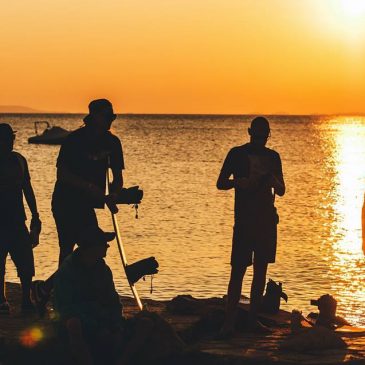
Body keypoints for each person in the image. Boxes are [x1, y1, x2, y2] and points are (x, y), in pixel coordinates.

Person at [32, 99, 124, 314]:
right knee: (68, 249)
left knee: (88, 248)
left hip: (87, 204)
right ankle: (55, 295)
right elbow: (62, 175)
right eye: (106, 116)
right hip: (65, 200)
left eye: (113, 117)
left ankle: (46, 289)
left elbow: (117, 176)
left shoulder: (113, 143)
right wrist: (89, 187)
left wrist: (115, 195)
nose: (110, 120)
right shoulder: (74, 140)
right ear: (94, 117)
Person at [216, 116, 285, 336]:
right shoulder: (236, 154)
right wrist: (238, 182)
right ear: (249, 132)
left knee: (261, 271)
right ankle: (229, 322)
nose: (260, 139)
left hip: (266, 221)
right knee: (238, 270)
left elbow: (282, 189)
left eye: (264, 135)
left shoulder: (273, 157)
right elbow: (220, 183)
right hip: (244, 221)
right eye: (256, 134)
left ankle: (253, 320)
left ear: (268, 135)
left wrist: (275, 183)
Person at [53, 226, 153, 365]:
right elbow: (64, 308)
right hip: (83, 321)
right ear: (91, 247)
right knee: (73, 324)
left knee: (145, 324)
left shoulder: (103, 269)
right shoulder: (67, 270)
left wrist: (115, 325)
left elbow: (113, 301)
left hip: (104, 320)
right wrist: (97, 325)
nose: (107, 245)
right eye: (103, 243)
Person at [0, 123, 41, 314]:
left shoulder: (20, 161)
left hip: (17, 220)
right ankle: (1, 300)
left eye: (10, 139)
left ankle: (26, 299)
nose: (8, 142)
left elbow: (28, 189)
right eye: (4, 139)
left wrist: (36, 215)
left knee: (25, 261)